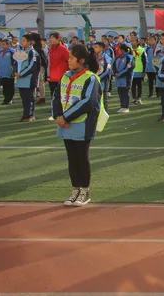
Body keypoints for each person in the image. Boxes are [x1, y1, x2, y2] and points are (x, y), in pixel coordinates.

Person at [54, 44, 104, 206]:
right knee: (72, 158)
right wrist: (57, 116)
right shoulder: (65, 76)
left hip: (82, 124)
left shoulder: (91, 78)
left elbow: (88, 102)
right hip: (65, 124)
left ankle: (85, 191)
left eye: (71, 57)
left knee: (82, 158)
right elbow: (56, 96)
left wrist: (66, 117)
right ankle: (75, 190)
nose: (68, 60)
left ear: (81, 60)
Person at [16, 34, 40, 122]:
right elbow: (16, 63)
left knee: (30, 98)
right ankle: (25, 115)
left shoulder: (33, 52)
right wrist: (15, 71)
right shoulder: (21, 52)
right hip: (21, 80)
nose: (22, 42)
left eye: (24, 40)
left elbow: (32, 66)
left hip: (29, 79)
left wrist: (21, 74)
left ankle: (31, 115)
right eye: (22, 40)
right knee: (24, 99)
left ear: (30, 42)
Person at [47, 32, 70, 120]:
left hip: (62, 77)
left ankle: (62, 113)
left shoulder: (63, 49)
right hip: (52, 77)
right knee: (53, 96)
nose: (50, 40)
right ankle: (55, 113)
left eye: (52, 38)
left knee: (62, 97)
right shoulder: (51, 49)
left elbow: (70, 61)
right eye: (50, 38)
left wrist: (68, 74)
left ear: (58, 39)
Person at [112, 43, 134, 114]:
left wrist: (120, 74)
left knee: (126, 92)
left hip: (126, 78)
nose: (118, 51)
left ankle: (126, 107)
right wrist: (115, 72)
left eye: (119, 49)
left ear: (122, 50)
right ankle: (122, 106)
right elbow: (114, 65)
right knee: (120, 92)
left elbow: (129, 68)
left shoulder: (129, 57)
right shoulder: (118, 57)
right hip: (118, 79)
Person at [0, 39, 16, 105]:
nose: (3, 45)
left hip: (10, 72)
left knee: (10, 86)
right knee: (4, 86)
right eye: (2, 44)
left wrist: (14, 70)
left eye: (4, 44)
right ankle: (5, 98)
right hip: (2, 72)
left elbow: (15, 61)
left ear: (8, 44)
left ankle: (10, 99)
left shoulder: (12, 52)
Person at [93, 42, 112, 110]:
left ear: (101, 48)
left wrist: (99, 78)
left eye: (96, 47)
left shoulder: (107, 58)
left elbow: (107, 71)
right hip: (95, 79)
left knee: (104, 97)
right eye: (94, 47)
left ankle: (105, 111)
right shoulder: (93, 57)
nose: (94, 49)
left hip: (103, 80)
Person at [130, 37, 147, 105]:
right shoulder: (129, 50)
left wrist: (144, 71)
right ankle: (134, 98)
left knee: (139, 85)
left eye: (134, 41)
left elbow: (144, 61)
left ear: (137, 42)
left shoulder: (142, 50)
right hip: (132, 70)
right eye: (131, 41)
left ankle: (139, 98)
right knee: (133, 85)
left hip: (139, 70)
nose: (132, 42)